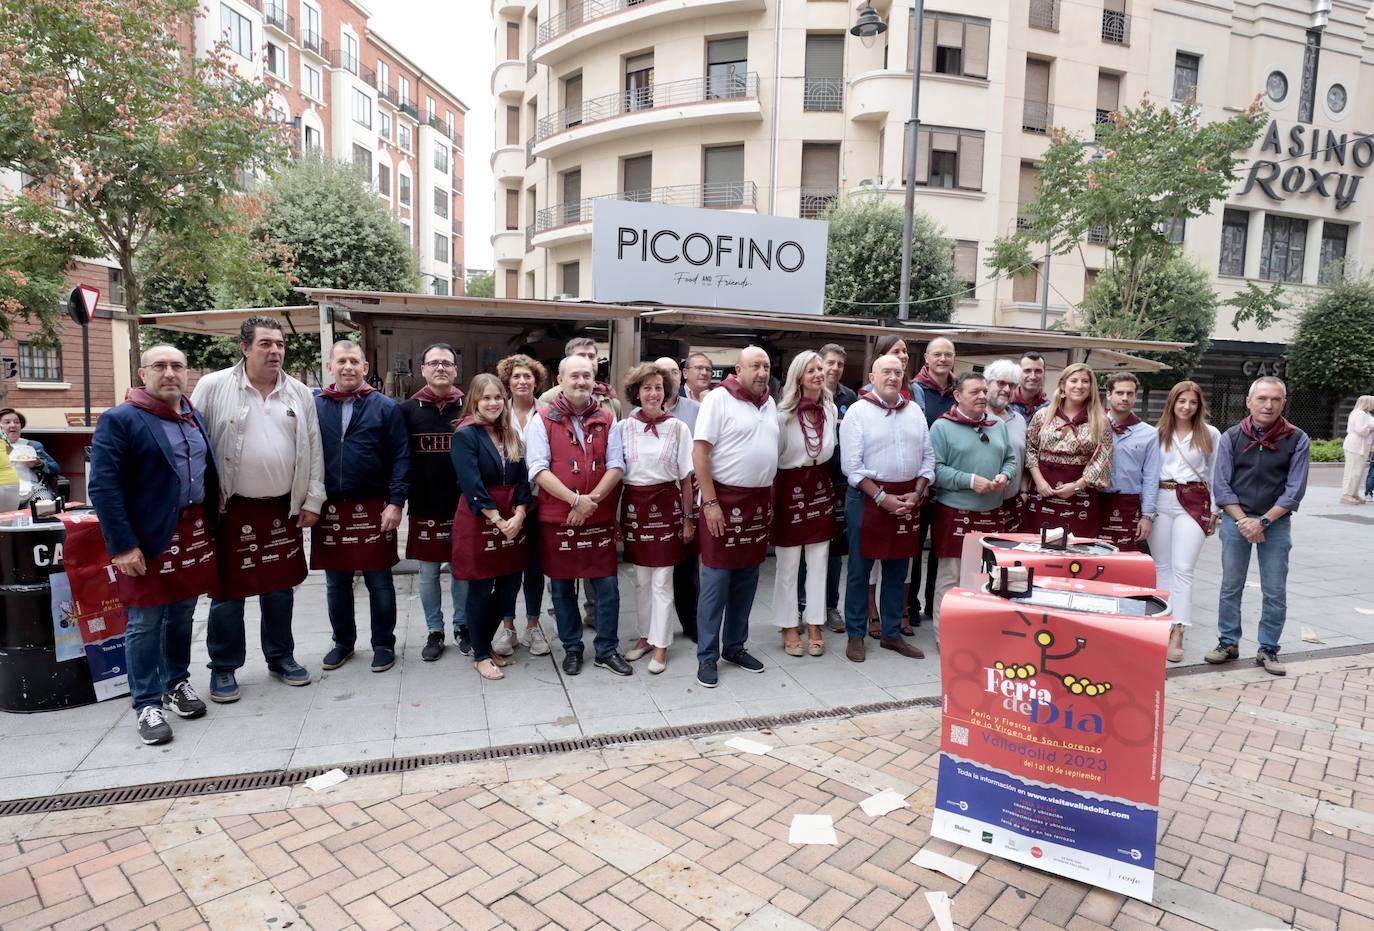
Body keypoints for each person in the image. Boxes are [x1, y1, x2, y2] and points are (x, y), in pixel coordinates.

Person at [88, 345, 219, 744]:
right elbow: (104, 487)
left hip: (191, 533)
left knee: (182, 615)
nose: (169, 373)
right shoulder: (121, 419)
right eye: (159, 366)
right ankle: (146, 703)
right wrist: (123, 546)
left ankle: (176, 682)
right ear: (142, 374)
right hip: (146, 540)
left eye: (177, 366)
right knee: (145, 622)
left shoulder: (192, 417)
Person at [192, 316, 325, 702]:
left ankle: (281, 657)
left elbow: (313, 449)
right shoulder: (213, 386)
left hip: (282, 509)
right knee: (228, 594)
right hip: (230, 508)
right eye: (265, 344)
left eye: (280, 344)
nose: (275, 351)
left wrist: (312, 500)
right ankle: (223, 668)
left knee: (280, 590)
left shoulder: (298, 392)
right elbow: (194, 442)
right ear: (245, 348)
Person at [526, 354, 631, 676]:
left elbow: (617, 465)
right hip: (559, 518)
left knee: (608, 589)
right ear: (560, 380)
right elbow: (537, 469)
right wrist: (574, 501)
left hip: (596, 518)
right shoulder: (541, 419)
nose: (581, 382)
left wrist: (590, 501)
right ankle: (572, 648)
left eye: (587, 376)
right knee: (561, 589)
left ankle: (607, 649)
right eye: (574, 376)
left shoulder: (607, 417)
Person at [312, 340, 409, 674]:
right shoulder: (315, 405)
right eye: (341, 361)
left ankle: (383, 644)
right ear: (330, 367)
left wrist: (396, 503)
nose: (348, 367)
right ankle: (343, 643)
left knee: (379, 581)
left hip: (374, 506)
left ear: (365, 368)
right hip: (330, 510)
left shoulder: (385, 407)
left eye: (355, 361)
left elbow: (401, 457)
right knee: (336, 583)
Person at [1208, 376, 1310, 676]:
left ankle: (1268, 648)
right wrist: (1243, 521)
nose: (1268, 404)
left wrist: (1263, 521)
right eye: (1262, 398)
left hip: (1275, 523)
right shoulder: (1231, 437)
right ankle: (1228, 643)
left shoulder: (1297, 438)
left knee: (1275, 589)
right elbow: (1222, 485)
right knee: (1230, 586)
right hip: (1236, 521)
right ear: (1249, 402)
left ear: (1283, 403)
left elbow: (1294, 490)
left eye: (1275, 399)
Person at [840, 352, 934, 663]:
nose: (893, 377)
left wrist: (917, 492)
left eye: (898, 372)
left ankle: (892, 634)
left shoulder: (915, 412)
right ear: (872, 377)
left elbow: (928, 459)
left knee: (898, 568)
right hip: (868, 500)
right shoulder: (857, 412)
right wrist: (882, 498)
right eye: (886, 372)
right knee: (859, 570)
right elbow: (851, 467)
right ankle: (856, 634)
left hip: (908, 498)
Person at [693, 346, 778, 687]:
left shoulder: (769, 402)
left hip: (757, 502)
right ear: (739, 369)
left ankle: (735, 646)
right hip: (723, 501)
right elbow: (700, 452)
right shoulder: (719, 399)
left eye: (767, 366)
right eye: (755, 366)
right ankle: (707, 656)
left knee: (747, 579)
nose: (762, 372)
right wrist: (710, 503)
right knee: (716, 583)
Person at [450, 374, 531, 681]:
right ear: (474, 401)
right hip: (480, 519)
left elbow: (523, 480)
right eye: (486, 398)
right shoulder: (465, 434)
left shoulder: (510, 434)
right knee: (481, 588)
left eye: (498, 397)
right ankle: (481, 652)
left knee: (510, 587)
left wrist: (520, 515)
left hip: (513, 519)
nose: (493, 403)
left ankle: (484, 643)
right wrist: (497, 520)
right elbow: (470, 482)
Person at [619, 362, 694, 674]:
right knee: (641, 580)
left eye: (658, 388)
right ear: (637, 392)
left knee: (663, 580)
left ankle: (661, 645)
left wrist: (689, 519)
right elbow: (616, 474)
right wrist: (613, 519)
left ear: (667, 392)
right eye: (647, 387)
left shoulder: (678, 428)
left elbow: (687, 479)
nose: (653, 393)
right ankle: (645, 636)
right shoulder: (623, 427)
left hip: (666, 506)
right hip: (634, 505)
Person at [929, 372, 1017, 639]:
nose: (981, 396)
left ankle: (976, 632)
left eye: (983, 391)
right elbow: (935, 469)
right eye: (974, 392)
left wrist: (1006, 475)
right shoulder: (941, 427)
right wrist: (969, 481)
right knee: (950, 579)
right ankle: (945, 635)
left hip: (991, 513)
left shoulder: (998, 425)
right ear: (957, 396)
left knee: (985, 577)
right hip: (955, 513)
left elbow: (1011, 460)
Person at [401, 343, 470, 661]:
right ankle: (435, 631)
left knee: (461, 571)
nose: (441, 368)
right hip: (425, 505)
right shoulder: (406, 410)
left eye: (447, 363)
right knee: (428, 574)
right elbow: (399, 459)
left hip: (464, 507)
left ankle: (462, 627)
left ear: (456, 370)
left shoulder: (469, 408)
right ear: (423, 369)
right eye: (434, 363)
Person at [771, 351, 838, 657]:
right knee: (788, 562)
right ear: (798, 376)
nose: (818, 374)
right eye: (811, 369)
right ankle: (787, 624)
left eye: (820, 369)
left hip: (820, 486)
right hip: (790, 486)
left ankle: (814, 622)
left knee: (819, 559)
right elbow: (777, 457)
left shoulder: (830, 409)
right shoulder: (783, 415)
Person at [1149, 380, 1220, 663]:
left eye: (1192, 402)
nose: (1186, 406)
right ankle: (1164, 622)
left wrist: (1216, 510)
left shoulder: (1211, 434)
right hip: (1160, 499)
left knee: (1184, 568)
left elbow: (1216, 474)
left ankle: (1179, 629)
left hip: (1192, 500)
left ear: (1199, 405)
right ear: (1172, 403)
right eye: (1181, 401)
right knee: (1162, 566)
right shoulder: (1157, 433)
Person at [494, 353, 551, 656]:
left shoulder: (549, 411)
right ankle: (508, 628)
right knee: (507, 567)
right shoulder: (497, 411)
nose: (522, 381)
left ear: (536, 380)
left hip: (541, 500)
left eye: (527, 376)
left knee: (534, 567)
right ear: (508, 380)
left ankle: (532, 626)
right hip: (507, 501)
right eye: (516, 376)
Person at [1025, 362, 1113, 538]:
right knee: (1036, 547)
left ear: (1091, 387)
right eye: (1074, 380)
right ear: (1063, 385)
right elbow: (1031, 449)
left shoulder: (1100, 420)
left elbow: (1103, 459)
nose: (1079, 386)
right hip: (1043, 490)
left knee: (1076, 553)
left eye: (1085, 381)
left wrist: (1077, 486)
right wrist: (1039, 482)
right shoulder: (1043, 415)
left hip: (1080, 494)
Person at [908, 338, 957, 622]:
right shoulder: (915, 391)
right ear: (926, 358)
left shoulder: (959, 390)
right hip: (922, 482)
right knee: (914, 547)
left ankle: (934, 604)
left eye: (947, 354)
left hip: (949, 484)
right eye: (937, 354)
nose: (942, 358)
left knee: (942, 549)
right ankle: (911, 606)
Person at [818, 343, 857, 632]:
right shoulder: (806, 392)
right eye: (830, 363)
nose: (834, 369)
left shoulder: (850, 397)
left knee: (834, 551)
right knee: (806, 549)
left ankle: (830, 607)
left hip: (840, 484)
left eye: (839, 364)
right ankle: (802, 606)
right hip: (810, 482)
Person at [1098, 373, 1160, 553]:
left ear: (1135, 396)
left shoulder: (1148, 433)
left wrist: (1147, 516)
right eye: (1119, 393)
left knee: (1123, 560)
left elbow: (1151, 476)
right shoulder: (1094, 425)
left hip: (1127, 505)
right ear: (1109, 395)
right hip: (1093, 501)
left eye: (1130, 393)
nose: (1125, 398)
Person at [983, 359, 1029, 531]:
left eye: (1011, 385)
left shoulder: (1020, 420)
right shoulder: (971, 417)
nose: (1007, 389)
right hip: (977, 505)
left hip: (1011, 505)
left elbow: (1025, 460)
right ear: (986, 383)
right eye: (1001, 383)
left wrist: (1023, 492)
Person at [537, 336, 621, 417]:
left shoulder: (610, 400)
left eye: (591, 356)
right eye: (581, 356)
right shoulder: (549, 398)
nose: (587, 360)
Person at [0, 408, 60, 502]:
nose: (13, 425)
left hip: (33, 489)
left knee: (44, 503)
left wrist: (40, 464)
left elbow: (55, 468)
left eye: (16, 422)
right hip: (4, 489)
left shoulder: (33, 445)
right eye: (7, 422)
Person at [1340, 395, 1374, 504]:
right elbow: (1361, 430)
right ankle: (1347, 494)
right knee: (1352, 470)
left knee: (1358, 471)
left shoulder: (1366, 414)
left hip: (1364, 444)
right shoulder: (1359, 414)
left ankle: (1354, 493)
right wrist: (1372, 429)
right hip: (1356, 444)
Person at [1010, 352, 1050, 421]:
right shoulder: (1005, 405)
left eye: (1038, 371)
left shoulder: (1051, 409)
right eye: (1027, 371)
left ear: (1044, 374)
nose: (1033, 376)